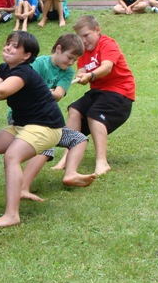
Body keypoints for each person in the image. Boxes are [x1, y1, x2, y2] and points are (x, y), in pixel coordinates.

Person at [0, 32, 68, 228]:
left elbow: (1, 91)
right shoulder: (4, 69)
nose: (8, 48)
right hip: (24, 125)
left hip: (47, 126)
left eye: (14, 46)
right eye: (8, 44)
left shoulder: (23, 72)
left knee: (12, 156)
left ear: (26, 55)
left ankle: (12, 215)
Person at [15, 34, 96, 202]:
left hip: (46, 120)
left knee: (79, 139)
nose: (71, 63)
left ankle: (70, 173)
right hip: (24, 118)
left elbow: (58, 94)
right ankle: (22, 189)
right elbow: (25, 89)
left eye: (75, 60)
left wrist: (43, 92)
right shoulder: (38, 64)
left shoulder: (67, 72)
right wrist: (44, 92)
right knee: (46, 144)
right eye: (69, 57)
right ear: (58, 49)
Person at [54, 15, 135, 176]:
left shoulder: (107, 44)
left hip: (120, 91)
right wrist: (80, 76)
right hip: (99, 92)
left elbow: (107, 67)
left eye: (86, 35)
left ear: (97, 30)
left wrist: (90, 75)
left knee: (94, 114)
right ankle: (66, 157)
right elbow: (81, 70)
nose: (83, 41)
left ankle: (102, 162)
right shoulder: (84, 52)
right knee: (74, 110)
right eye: (80, 37)